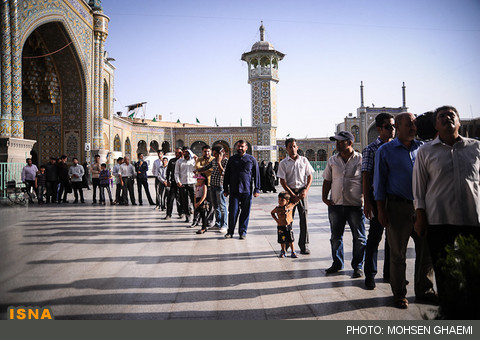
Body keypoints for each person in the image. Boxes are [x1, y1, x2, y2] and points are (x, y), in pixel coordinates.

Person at [413, 105, 480, 308]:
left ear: (459, 122)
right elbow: (419, 188)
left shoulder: (476, 148)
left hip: (472, 218)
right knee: (444, 268)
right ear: (436, 125)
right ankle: (450, 311)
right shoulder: (425, 151)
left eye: (452, 115)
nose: (448, 118)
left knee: (473, 267)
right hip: (439, 219)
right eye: (442, 116)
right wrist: (420, 216)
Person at [374, 112, 435, 309]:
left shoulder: (423, 149)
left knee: (425, 251)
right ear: (398, 127)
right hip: (397, 207)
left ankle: (424, 289)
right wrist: (381, 211)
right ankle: (399, 293)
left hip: (421, 207)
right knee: (398, 254)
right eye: (408, 124)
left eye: (414, 123)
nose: (413, 127)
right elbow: (379, 183)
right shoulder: (385, 151)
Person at [322, 131, 366, 278]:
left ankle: (358, 266)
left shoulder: (360, 159)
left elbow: (366, 181)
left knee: (359, 238)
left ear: (350, 142)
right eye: (337, 141)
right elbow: (327, 180)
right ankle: (337, 263)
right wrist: (324, 198)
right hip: (336, 204)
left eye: (341, 141)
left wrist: (367, 202)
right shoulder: (333, 160)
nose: (338, 144)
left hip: (355, 205)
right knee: (336, 237)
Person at [362, 113, 395, 290]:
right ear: (379, 129)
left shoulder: (398, 147)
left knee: (394, 239)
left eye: (394, 126)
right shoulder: (371, 149)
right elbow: (366, 176)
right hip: (377, 200)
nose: (393, 130)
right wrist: (367, 201)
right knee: (375, 238)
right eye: (389, 126)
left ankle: (390, 274)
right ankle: (370, 275)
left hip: (395, 200)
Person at [277, 138, 315, 255]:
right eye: (290, 147)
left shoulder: (303, 160)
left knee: (304, 219)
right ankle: (288, 244)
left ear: (297, 147)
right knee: (288, 220)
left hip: (302, 192)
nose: (293, 149)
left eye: (294, 146)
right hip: (289, 194)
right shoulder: (283, 163)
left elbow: (309, 176)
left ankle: (304, 245)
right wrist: (291, 195)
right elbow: (282, 181)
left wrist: (306, 190)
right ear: (286, 149)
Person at [223, 140, 261, 239]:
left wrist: (257, 189)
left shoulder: (251, 159)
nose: (240, 148)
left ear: (246, 148)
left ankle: (242, 232)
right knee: (233, 212)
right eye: (238, 146)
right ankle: (230, 232)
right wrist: (225, 189)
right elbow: (227, 175)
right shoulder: (232, 159)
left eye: (242, 146)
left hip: (246, 190)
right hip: (234, 190)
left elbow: (256, 175)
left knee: (245, 212)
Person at [196, 145, 228, 233]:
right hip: (213, 185)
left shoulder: (225, 161)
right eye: (214, 154)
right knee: (215, 206)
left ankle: (224, 225)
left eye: (216, 154)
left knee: (222, 206)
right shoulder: (213, 160)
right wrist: (198, 170)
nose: (215, 156)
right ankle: (217, 224)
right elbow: (207, 167)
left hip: (220, 186)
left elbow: (223, 173)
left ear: (221, 153)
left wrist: (219, 162)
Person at [271, 191, 298, 258]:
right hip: (281, 227)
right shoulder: (277, 209)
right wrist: (277, 220)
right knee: (282, 240)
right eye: (279, 200)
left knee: (291, 240)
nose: (280, 202)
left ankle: (293, 251)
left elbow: (296, 202)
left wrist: (298, 196)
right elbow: (272, 213)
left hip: (288, 226)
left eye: (282, 200)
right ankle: (283, 251)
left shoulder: (290, 206)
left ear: (287, 201)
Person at [194, 145, 215, 227]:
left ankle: (209, 221)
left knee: (211, 203)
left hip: (210, 183)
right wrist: (207, 168)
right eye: (205, 151)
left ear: (211, 152)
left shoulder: (213, 159)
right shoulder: (199, 159)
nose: (207, 153)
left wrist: (202, 169)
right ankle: (197, 220)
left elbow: (213, 169)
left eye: (208, 151)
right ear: (202, 151)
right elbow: (197, 167)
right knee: (199, 202)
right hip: (201, 184)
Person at [175, 147, 196, 223]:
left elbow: (198, 169)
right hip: (183, 183)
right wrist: (178, 181)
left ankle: (196, 217)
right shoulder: (179, 161)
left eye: (187, 152)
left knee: (194, 201)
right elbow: (176, 172)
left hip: (192, 182)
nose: (185, 153)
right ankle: (188, 216)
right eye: (184, 152)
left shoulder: (193, 161)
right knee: (185, 201)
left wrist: (194, 158)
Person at [165, 148, 183, 220]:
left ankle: (181, 212)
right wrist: (167, 180)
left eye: (179, 152)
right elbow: (168, 171)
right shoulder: (172, 161)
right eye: (176, 152)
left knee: (180, 198)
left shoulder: (183, 161)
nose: (177, 154)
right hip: (173, 182)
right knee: (170, 198)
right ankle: (168, 214)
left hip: (181, 183)